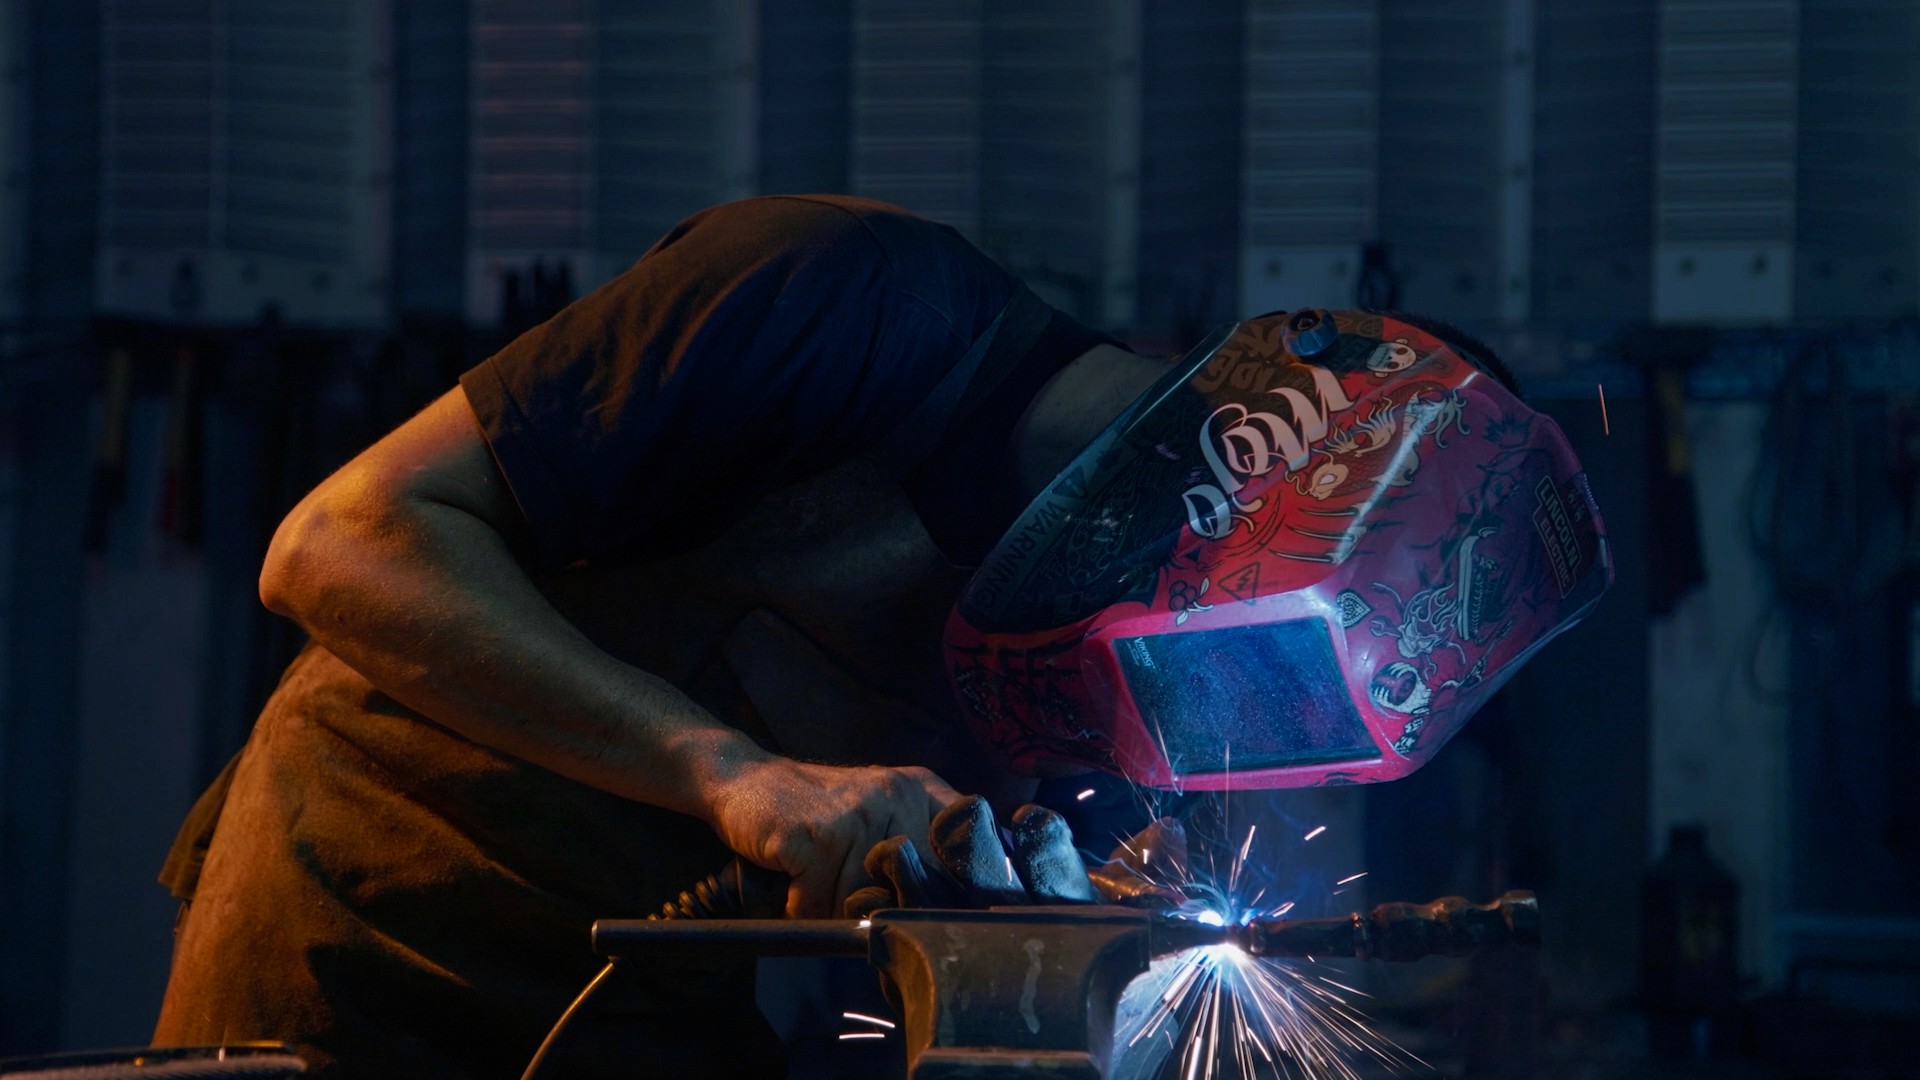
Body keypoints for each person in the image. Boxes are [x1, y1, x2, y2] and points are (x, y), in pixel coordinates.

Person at [152, 194, 1609, 1078]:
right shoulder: (839, 296)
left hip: (646, 1007)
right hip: (365, 922)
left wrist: (1043, 970)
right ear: (1258, 466)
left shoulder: (1143, 697)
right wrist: (734, 774)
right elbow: (336, 541)